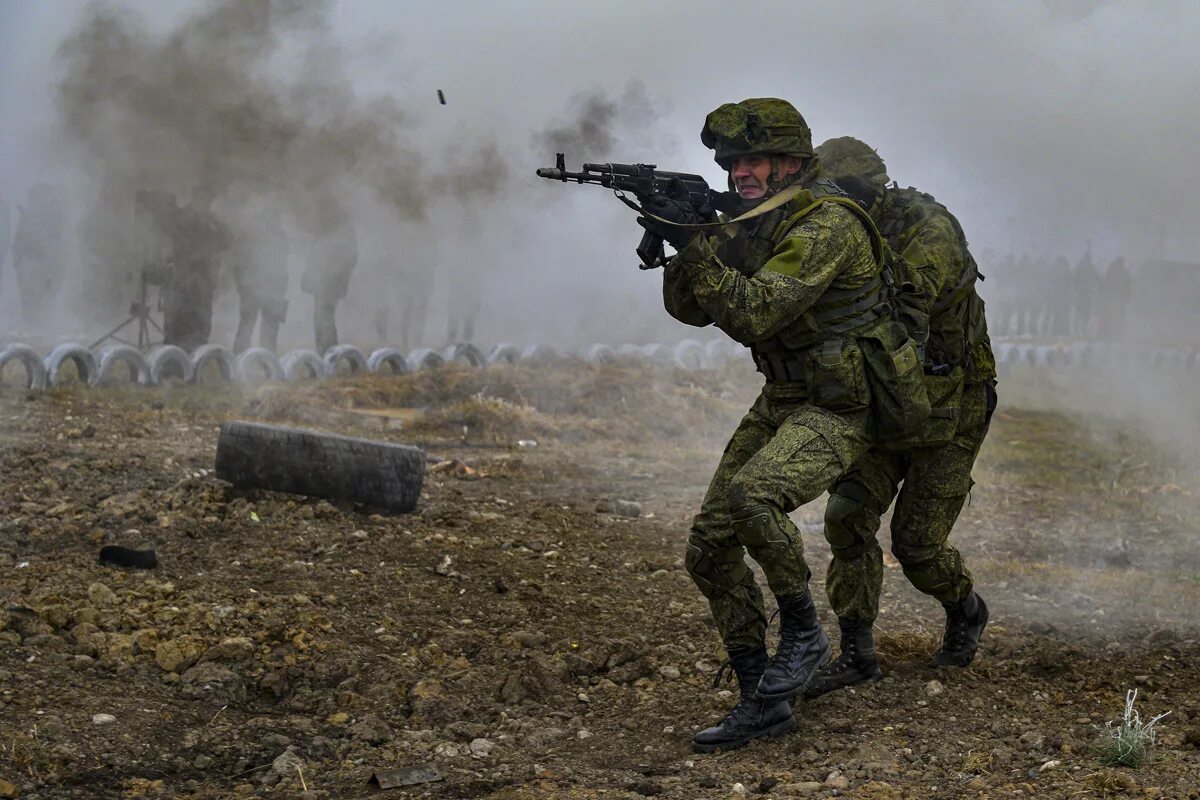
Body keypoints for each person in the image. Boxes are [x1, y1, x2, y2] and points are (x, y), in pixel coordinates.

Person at [641, 99, 924, 752]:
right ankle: (760, 699)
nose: (740, 172)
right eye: (732, 161)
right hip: (788, 395)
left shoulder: (827, 224)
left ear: (791, 162)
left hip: (845, 403)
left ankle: (802, 633)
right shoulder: (757, 221)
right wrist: (685, 241)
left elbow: (754, 314)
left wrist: (700, 247)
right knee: (708, 549)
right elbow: (691, 311)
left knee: (753, 495)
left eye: (753, 160)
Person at [807, 136, 996, 698]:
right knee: (846, 518)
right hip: (887, 401)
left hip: (952, 404)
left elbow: (902, 305)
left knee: (916, 545)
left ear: (866, 191)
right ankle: (857, 653)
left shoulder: (927, 229)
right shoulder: (842, 228)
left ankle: (965, 607)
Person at [161, 185, 232, 351]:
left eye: (210, 201)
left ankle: (196, 359)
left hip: (203, 282)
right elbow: (178, 249)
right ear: (196, 199)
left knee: (201, 324)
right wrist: (204, 250)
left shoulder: (210, 221)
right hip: (183, 280)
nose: (208, 204)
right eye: (205, 200)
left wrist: (215, 226)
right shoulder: (181, 219)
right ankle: (173, 362)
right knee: (177, 324)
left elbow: (228, 241)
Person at [300, 194, 357, 354]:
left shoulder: (343, 230)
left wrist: (337, 275)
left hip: (332, 282)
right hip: (320, 282)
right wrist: (307, 277)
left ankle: (330, 352)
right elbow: (314, 255)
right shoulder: (323, 230)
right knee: (320, 317)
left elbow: (351, 257)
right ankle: (323, 350)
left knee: (324, 316)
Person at [230, 203, 289, 353]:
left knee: (270, 326)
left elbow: (282, 264)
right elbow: (237, 262)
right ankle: (239, 359)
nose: (276, 219)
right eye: (273, 216)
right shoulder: (249, 235)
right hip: (251, 287)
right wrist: (242, 286)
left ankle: (267, 359)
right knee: (247, 324)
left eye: (277, 216)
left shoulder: (280, 236)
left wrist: (282, 288)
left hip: (273, 288)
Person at [12, 183, 67, 326]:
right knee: (30, 298)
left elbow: (57, 240)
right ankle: (32, 324)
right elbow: (19, 240)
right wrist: (18, 261)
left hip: (42, 263)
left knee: (43, 298)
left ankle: (42, 325)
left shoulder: (53, 215)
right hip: (30, 262)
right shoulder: (28, 216)